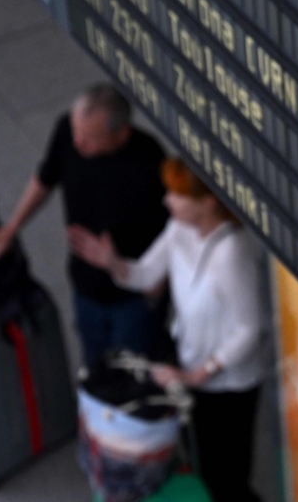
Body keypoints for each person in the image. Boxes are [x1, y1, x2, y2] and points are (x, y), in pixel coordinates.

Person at [67, 157, 265, 502]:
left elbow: (251, 328)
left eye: (176, 194)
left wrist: (199, 375)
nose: (166, 200)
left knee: (227, 475)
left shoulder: (232, 253)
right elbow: (146, 273)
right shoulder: (179, 229)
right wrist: (112, 262)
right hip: (189, 364)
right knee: (201, 461)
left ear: (207, 203)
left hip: (229, 384)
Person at [0, 83, 169, 366]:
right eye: (75, 129)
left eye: (90, 137)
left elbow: (171, 237)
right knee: (93, 367)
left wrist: (133, 274)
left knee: (133, 377)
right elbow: (45, 178)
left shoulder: (149, 163)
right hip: (85, 288)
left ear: (121, 134)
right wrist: (12, 227)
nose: (77, 142)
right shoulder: (67, 131)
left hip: (133, 300)